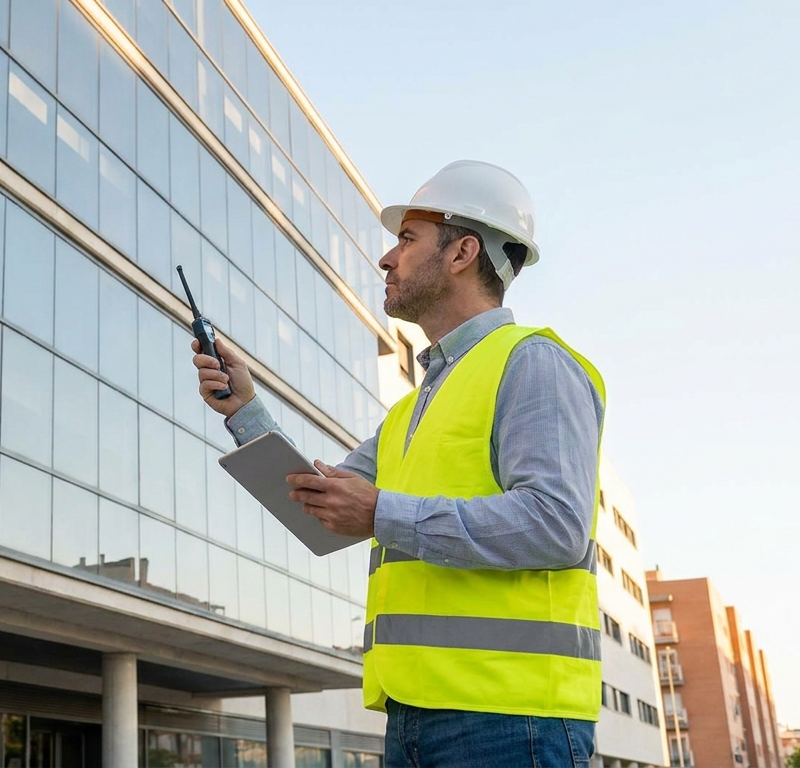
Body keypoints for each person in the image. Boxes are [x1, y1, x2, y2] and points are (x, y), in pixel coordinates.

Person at [192, 161, 605, 768]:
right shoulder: (411, 409)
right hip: (411, 715)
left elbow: (557, 526)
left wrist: (383, 512)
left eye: (407, 240)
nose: (386, 259)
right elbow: (318, 512)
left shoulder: (534, 364)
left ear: (464, 251)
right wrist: (245, 410)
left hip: (512, 722)